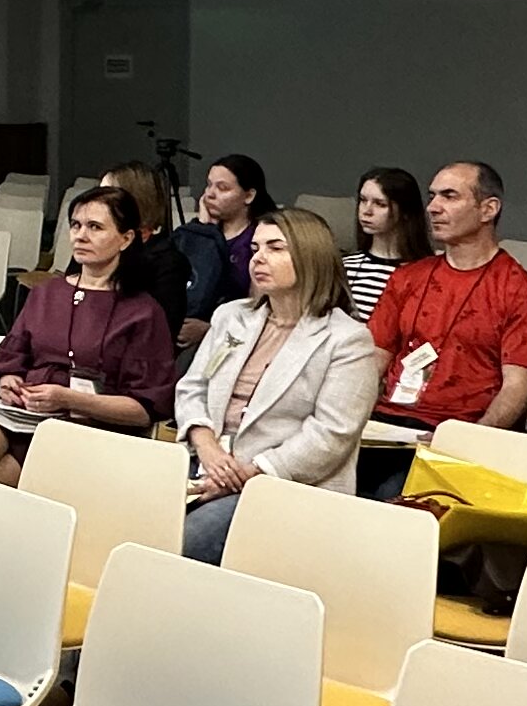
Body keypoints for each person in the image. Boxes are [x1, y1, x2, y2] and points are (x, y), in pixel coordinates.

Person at [175, 205, 381, 556]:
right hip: (205, 461)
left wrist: (246, 474)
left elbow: (330, 436)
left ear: (310, 256)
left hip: (282, 485)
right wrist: (207, 446)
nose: (258, 258)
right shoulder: (231, 316)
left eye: (275, 248)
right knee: (128, 514)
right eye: (255, 248)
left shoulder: (347, 340)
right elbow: (193, 387)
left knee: (185, 540)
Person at [0, 181, 183, 482]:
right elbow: (11, 356)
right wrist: (8, 381)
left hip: (93, 425)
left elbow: (145, 409)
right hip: (28, 415)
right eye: (76, 225)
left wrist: (69, 399)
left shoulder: (142, 312)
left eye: (95, 227)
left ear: (125, 238)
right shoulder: (47, 293)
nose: (80, 235)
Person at [365, 161, 527, 447]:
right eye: (432, 196)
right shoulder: (407, 277)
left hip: (459, 434)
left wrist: (465, 442)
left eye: (449, 196)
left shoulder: (523, 294)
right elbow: (373, 360)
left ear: (488, 209)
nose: (433, 207)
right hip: (385, 425)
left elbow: (518, 387)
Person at [165, 152, 273, 346]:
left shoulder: (260, 240)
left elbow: (259, 309)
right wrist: (204, 229)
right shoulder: (192, 233)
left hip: (236, 337)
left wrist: (210, 329)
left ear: (249, 196)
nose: (210, 194)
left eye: (222, 188)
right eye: (209, 185)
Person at [102, 162, 194, 329]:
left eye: (106, 196)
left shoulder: (169, 263)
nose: (96, 203)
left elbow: (161, 327)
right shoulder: (93, 246)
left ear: (136, 200)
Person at [344, 166, 428, 324]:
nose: (367, 211)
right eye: (363, 200)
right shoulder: (344, 267)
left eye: (380, 204)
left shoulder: (425, 273)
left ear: (405, 211)